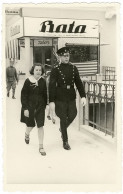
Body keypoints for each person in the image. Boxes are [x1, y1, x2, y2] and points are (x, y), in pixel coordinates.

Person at [49, 47, 86, 150]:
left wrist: (83, 96)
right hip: (60, 96)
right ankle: (65, 141)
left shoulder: (74, 68)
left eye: (68, 56)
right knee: (63, 117)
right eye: (64, 56)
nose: (66, 58)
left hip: (71, 95)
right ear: (60, 57)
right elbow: (51, 86)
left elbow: (78, 82)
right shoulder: (56, 69)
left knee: (73, 114)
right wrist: (51, 100)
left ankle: (63, 128)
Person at [20, 63, 47, 156]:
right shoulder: (28, 81)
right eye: (36, 70)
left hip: (40, 106)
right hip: (29, 106)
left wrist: (45, 106)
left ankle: (41, 146)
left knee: (40, 125)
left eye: (40, 70)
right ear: (33, 71)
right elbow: (23, 95)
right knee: (30, 125)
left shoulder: (43, 81)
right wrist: (25, 108)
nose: (38, 71)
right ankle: (27, 133)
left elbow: (45, 95)